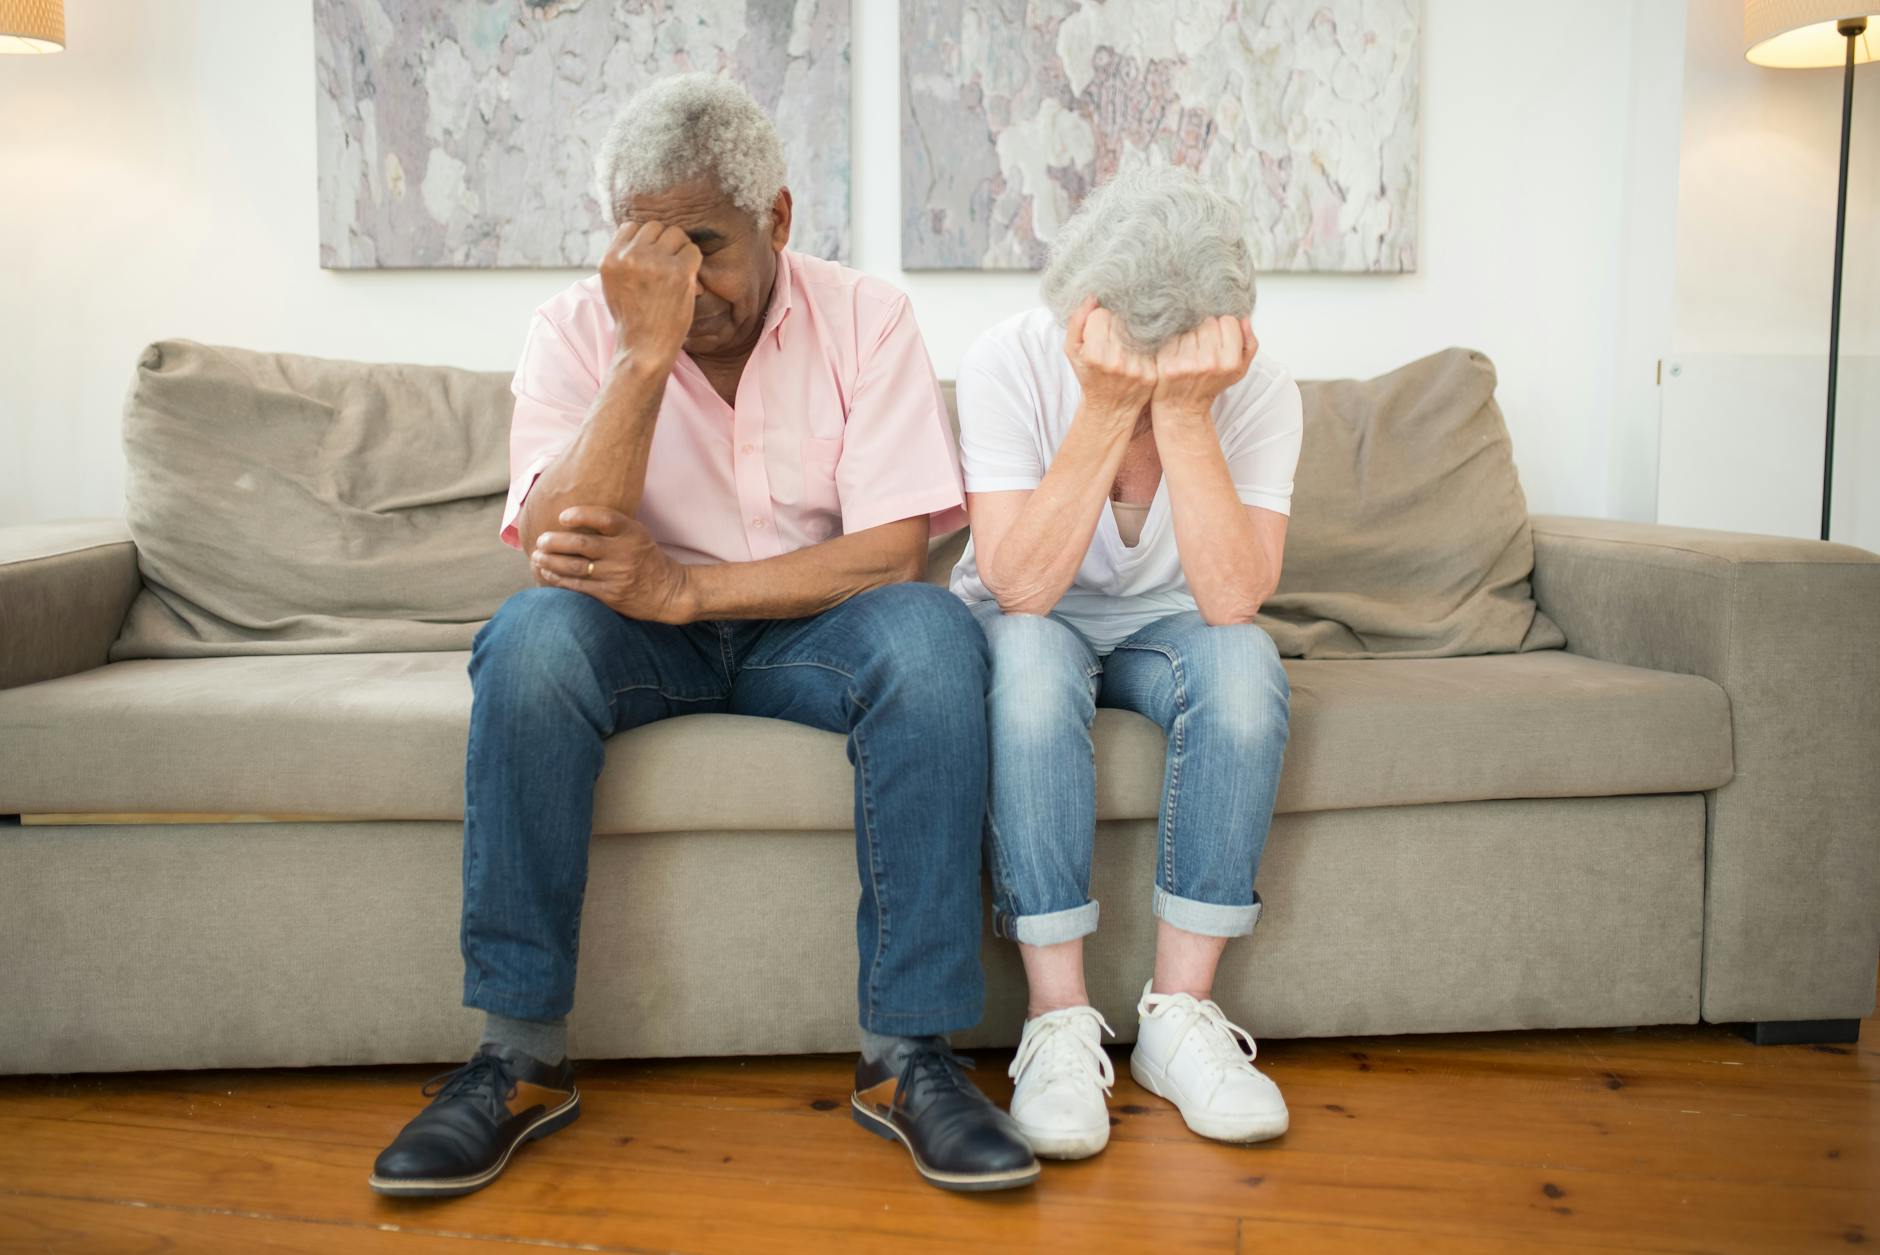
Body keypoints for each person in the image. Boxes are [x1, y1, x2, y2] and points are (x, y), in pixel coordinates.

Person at [369, 74, 1037, 1197]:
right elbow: (551, 542)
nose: (682, 280)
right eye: (650, 247)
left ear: (777, 218)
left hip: (810, 631)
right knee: (529, 639)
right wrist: (642, 358)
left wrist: (685, 588)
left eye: (706, 245)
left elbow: (889, 554)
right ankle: (517, 1057)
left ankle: (909, 1057)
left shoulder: (866, 318)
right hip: (629, 641)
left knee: (931, 637)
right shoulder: (578, 330)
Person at [949, 166, 1303, 1159]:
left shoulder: (1257, 391)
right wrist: (1104, 411)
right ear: (1082, 317)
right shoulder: (1007, 362)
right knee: (1020, 660)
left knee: (1244, 665)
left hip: (1174, 622)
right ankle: (1057, 1021)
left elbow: (1233, 598)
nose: (1153, 380)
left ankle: (1178, 1019)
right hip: (1038, 607)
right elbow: (1020, 587)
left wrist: (1185, 416)